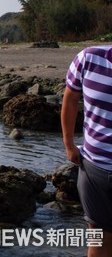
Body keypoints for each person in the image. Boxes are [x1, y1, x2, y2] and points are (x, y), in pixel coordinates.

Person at [61, 45, 112, 257]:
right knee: (99, 242)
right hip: (95, 170)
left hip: (94, 169)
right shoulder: (89, 58)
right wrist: (69, 144)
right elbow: (70, 99)